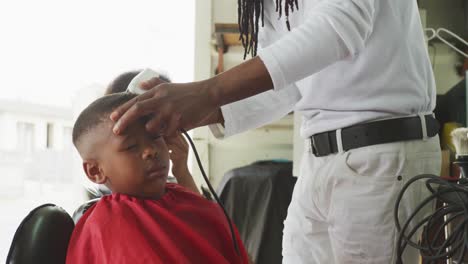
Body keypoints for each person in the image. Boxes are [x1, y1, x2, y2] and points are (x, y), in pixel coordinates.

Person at [109, 0, 442, 263]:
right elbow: (287, 83)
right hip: (318, 160)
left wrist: (206, 92)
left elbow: (341, 26)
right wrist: (193, 110)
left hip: (380, 154)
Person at [66, 92, 249, 263]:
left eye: (155, 137)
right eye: (131, 147)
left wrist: (182, 171)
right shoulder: (109, 224)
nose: (151, 151)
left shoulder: (184, 199)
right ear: (95, 171)